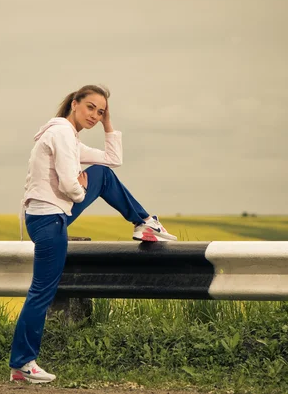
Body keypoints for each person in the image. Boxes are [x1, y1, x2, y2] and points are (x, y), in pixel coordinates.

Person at [10, 84, 177, 384]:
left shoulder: (70, 139)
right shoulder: (61, 133)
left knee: (102, 173)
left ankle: (143, 221)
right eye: (90, 108)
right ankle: (23, 364)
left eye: (101, 112)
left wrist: (109, 125)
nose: (95, 116)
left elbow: (112, 159)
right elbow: (68, 183)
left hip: (50, 214)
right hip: (49, 220)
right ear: (74, 104)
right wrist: (80, 188)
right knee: (41, 292)